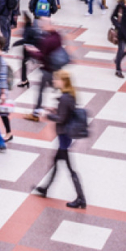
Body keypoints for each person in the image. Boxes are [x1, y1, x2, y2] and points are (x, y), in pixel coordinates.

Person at [34, 70, 86, 208]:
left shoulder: (64, 98)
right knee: (56, 163)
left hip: (64, 136)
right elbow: (66, 113)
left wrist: (48, 115)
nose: (54, 81)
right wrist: (54, 111)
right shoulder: (70, 95)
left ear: (63, 81)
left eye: (56, 79)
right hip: (66, 136)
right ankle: (45, 188)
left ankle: (81, 198)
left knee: (69, 168)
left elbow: (62, 119)